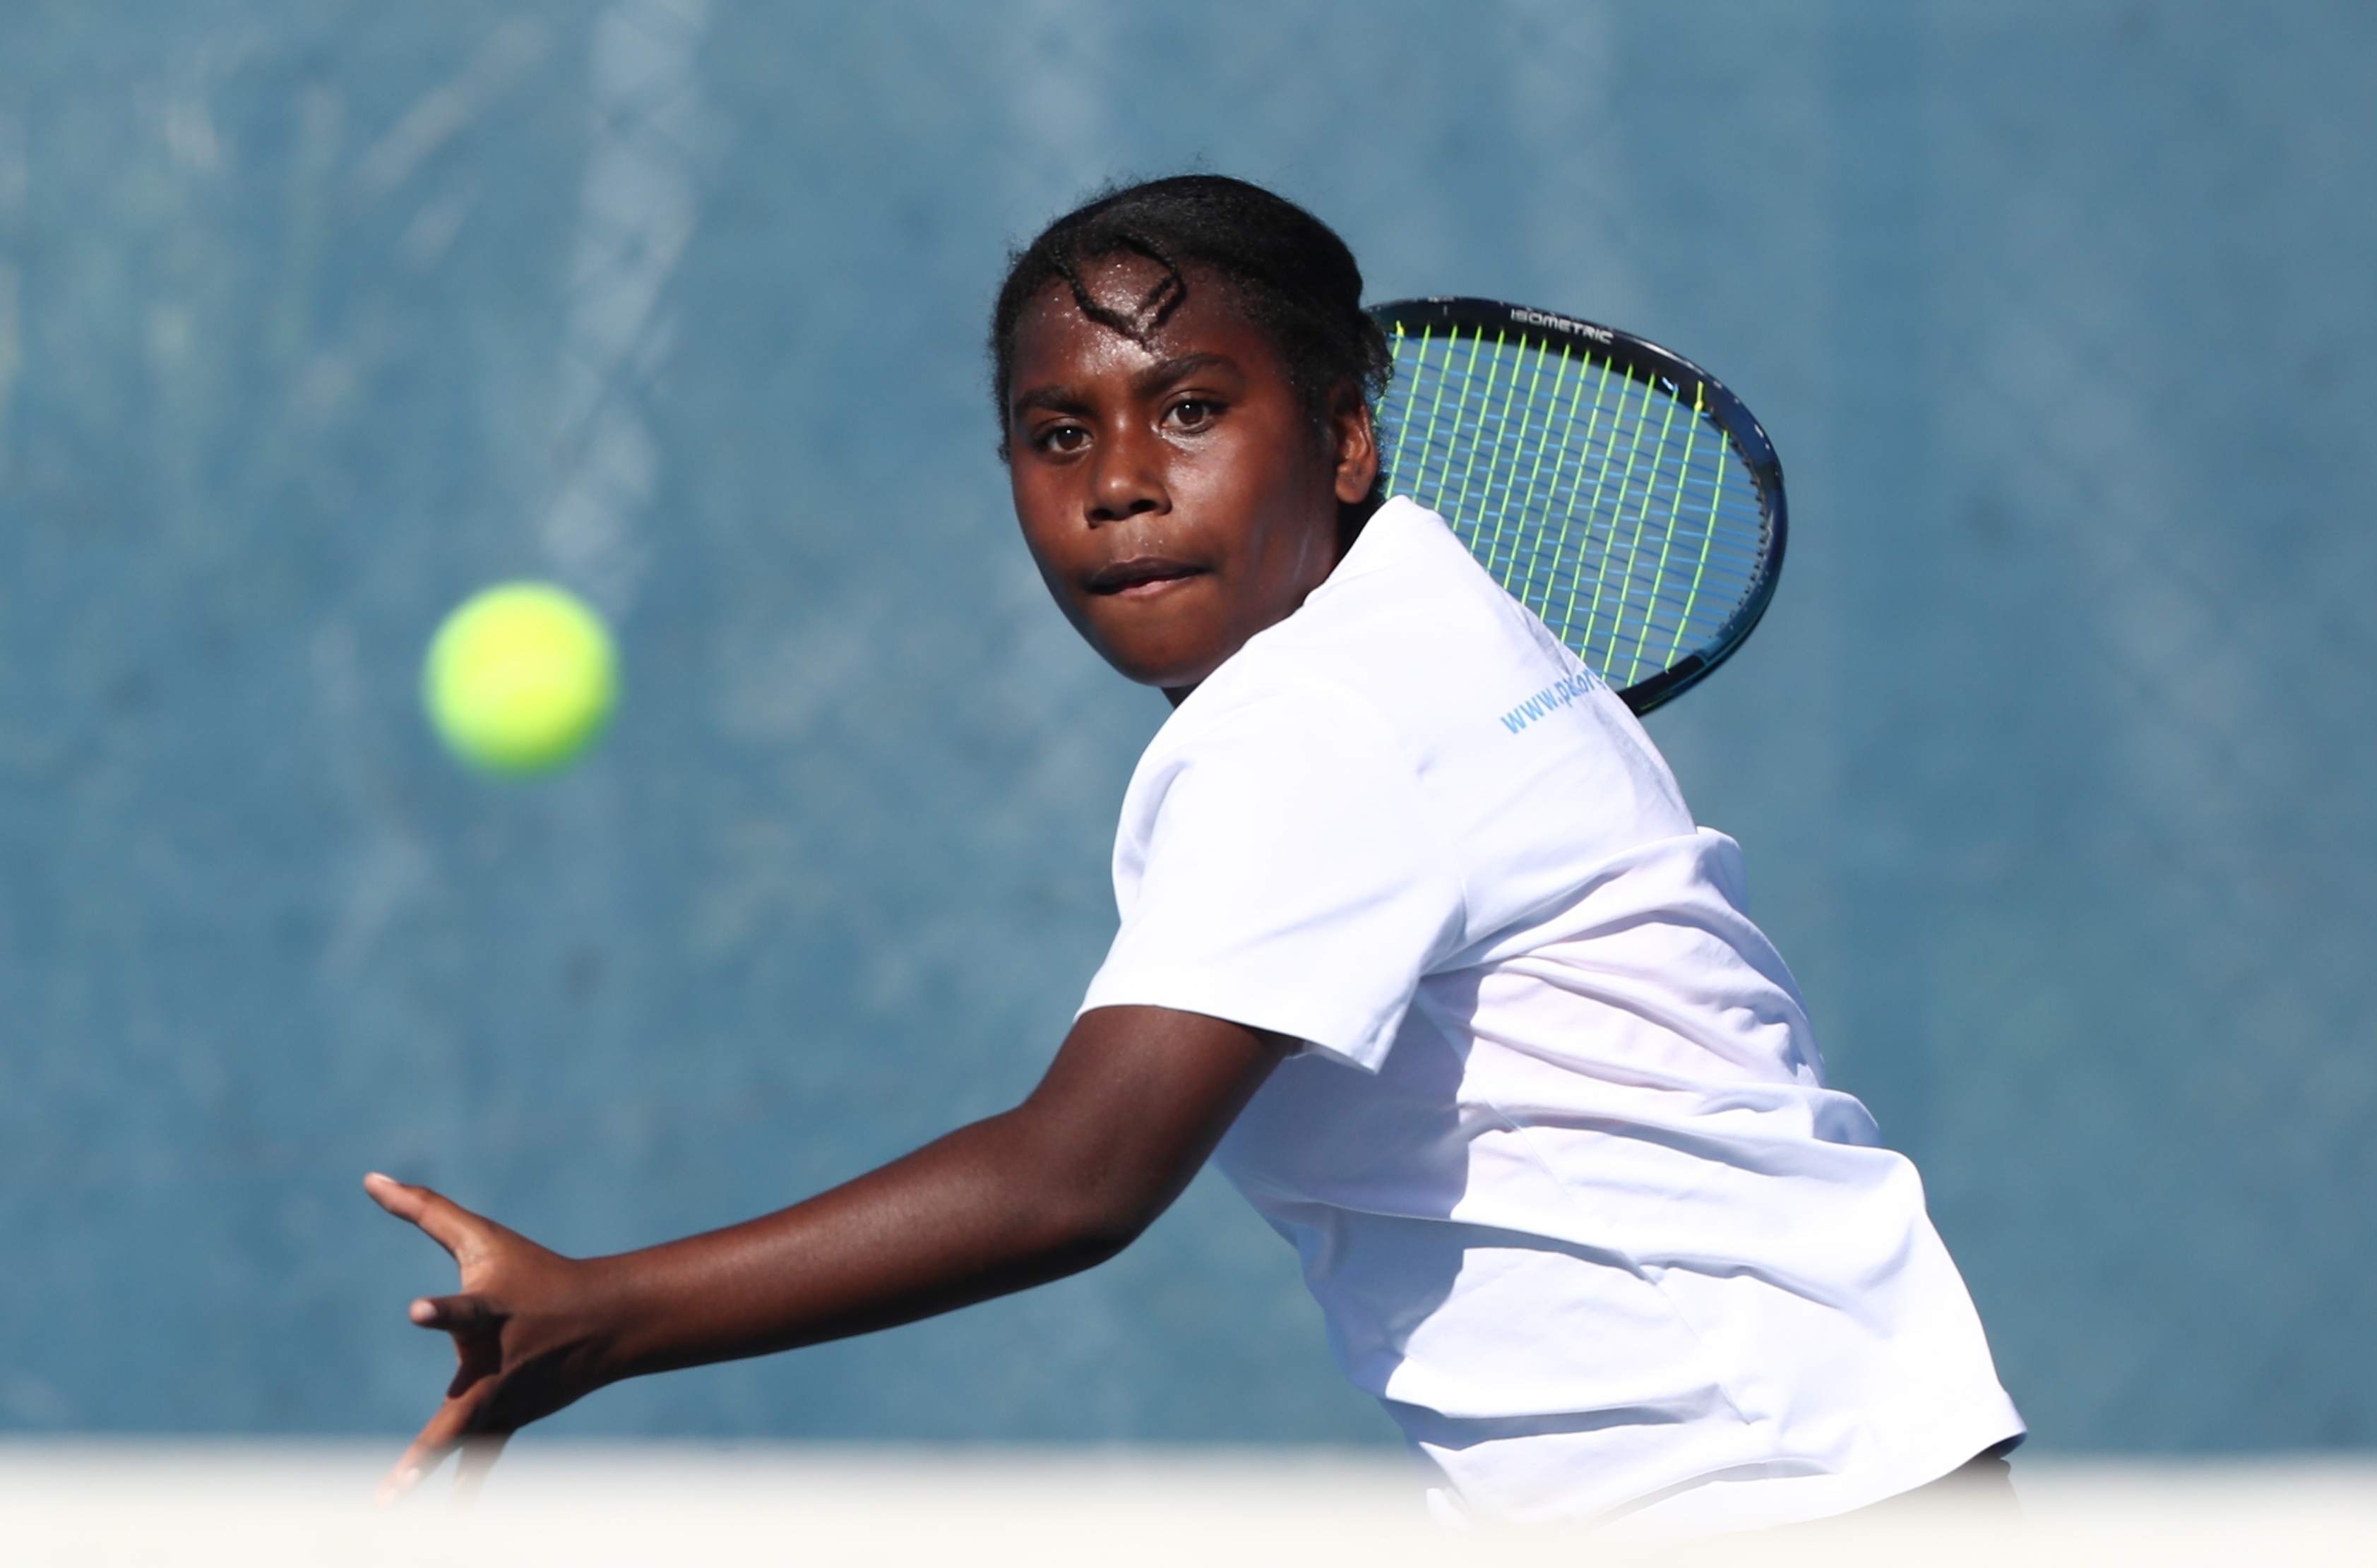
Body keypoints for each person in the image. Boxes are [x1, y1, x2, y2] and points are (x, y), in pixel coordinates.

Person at [366, 174, 2022, 1533]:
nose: (1125, 485)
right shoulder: (1433, 622)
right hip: (1822, 1462)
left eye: (1194, 407)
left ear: (1350, 440)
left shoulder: (1321, 717)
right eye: (1059, 433)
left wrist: (600, 1315)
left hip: (1765, 1500)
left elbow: (1075, 1177)